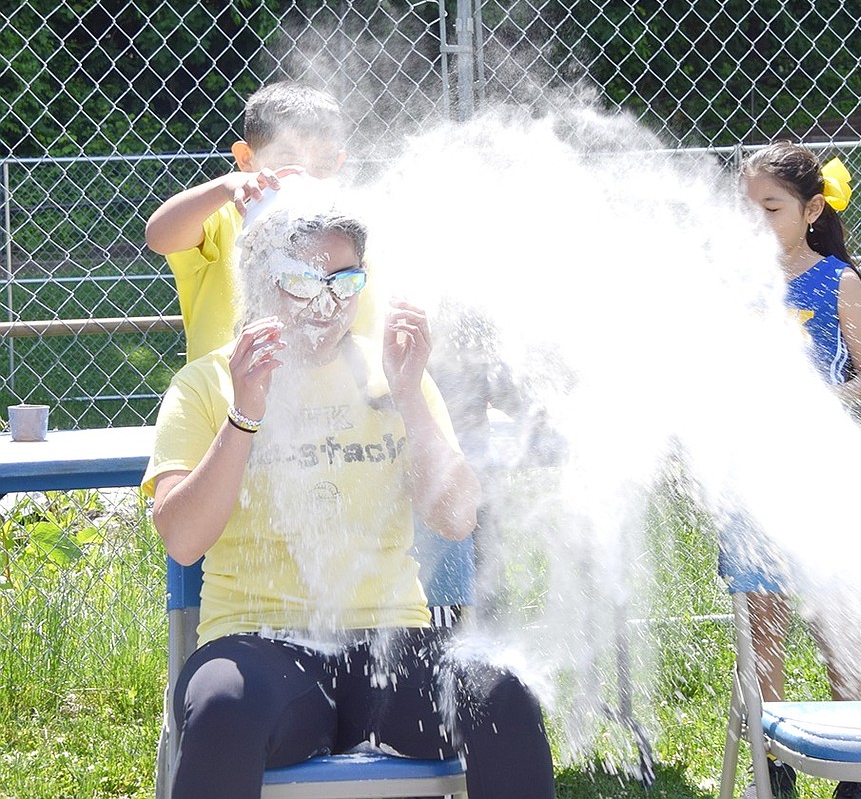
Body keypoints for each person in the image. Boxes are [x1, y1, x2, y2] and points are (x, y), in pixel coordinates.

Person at [141, 195, 556, 799]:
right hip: (261, 645)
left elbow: (458, 515)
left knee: (501, 691)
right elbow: (182, 538)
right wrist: (245, 417)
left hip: (391, 645)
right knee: (224, 705)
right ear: (260, 282)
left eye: (343, 280)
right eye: (304, 281)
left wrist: (411, 394)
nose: (327, 302)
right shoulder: (208, 383)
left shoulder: (392, 376)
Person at [740, 141, 861, 799]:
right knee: (763, 621)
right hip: (757, 478)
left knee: (838, 617)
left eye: (770, 208)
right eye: (745, 209)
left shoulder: (838, 282)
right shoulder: (736, 289)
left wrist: (820, 403)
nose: (755, 222)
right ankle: (772, 763)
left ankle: (857, 766)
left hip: (828, 478)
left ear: (811, 210)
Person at [145, 80, 348, 363]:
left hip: (318, 398)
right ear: (246, 159)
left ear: (339, 163)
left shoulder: (346, 227)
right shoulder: (227, 215)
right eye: (288, 160)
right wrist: (223, 187)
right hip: (223, 395)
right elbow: (159, 236)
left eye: (322, 165)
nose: (306, 176)